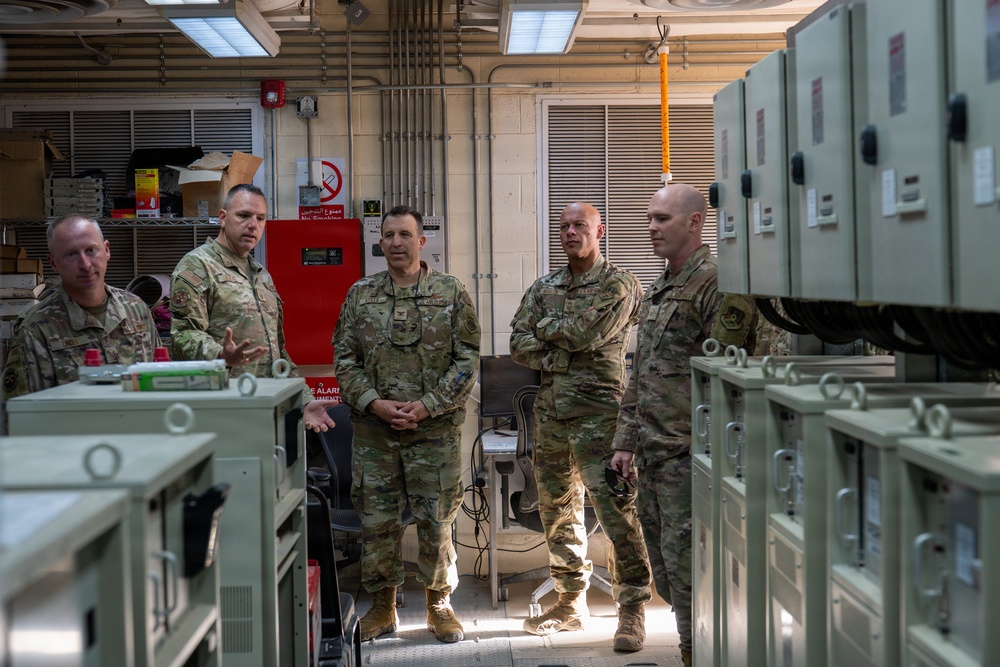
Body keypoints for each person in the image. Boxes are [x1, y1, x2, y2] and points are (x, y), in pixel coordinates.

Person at [609, 184, 757, 667]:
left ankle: (698, 652)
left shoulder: (717, 285)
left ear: (695, 222)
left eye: (662, 219)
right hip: (652, 456)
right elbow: (640, 371)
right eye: (649, 217)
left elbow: (731, 380)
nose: (651, 227)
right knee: (669, 575)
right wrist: (624, 442)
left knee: (692, 571)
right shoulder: (658, 288)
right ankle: (694, 644)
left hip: (693, 458)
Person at [333, 205, 480, 644]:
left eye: (405, 234)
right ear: (380, 243)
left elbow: (467, 357)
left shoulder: (450, 292)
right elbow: (344, 358)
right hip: (375, 435)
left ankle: (439, 605)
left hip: (433, 434)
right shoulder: (360, 294)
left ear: (422, 241)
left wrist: (429, 404)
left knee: (437, 521)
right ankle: (382, 606)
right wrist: (374, 403)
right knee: (377, 523)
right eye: (389, 235)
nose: (396, 242)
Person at [509, 202, 652, 651]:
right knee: (556, 512)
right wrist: (559, 349)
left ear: (600, 231)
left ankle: (631, 609)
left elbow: (589, 334)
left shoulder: (619, 283)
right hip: (551, 417)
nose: (571, 233)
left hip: (602, 418)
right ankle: (570, 602)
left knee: (616, 513)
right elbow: (516, 341)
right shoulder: (544, 285)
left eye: (580, 226)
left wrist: (548, 333)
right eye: (565, 226)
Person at [169, 183, 335, 432]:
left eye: (260, 218)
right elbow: (183, 334)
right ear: (223, 218)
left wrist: (305, 399)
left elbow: (277, 352)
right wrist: (220, 356)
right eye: (244, 215)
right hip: (223, 408)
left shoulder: (261, 275)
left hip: (267, 408)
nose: (253, 225)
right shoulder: (197, 266)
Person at [2, 215, 158, 398]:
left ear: (107, 250)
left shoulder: (136, 309)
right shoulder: (36, 329)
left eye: (91, 250)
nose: (85, 265)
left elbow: (158, 380)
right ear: (53, 263)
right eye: (71, 254)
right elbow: (20, 412)